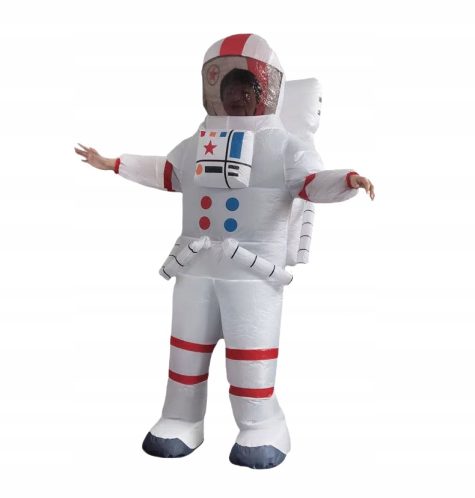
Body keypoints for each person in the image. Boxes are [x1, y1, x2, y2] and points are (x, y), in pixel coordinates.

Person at [75, 33, 375, 469]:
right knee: (185, 349)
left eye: (246, 90)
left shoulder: (284, 146)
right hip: (195, 267)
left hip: (252, 273)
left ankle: (262, 424)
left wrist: (348, 180)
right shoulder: (198, 141)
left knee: (249, 355)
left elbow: (312, 183)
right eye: (230, 89)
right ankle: (180, 418)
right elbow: (167, 171)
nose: (236, 98)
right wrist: (114, 163)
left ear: (265, 92)